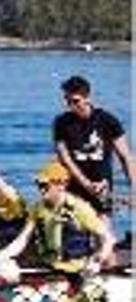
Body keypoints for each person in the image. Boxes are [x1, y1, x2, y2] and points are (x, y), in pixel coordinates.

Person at [0, 161, 114, 282]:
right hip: (49, 268)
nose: (41, 190)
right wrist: (3, 255)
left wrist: (97, 260)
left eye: (45, 185)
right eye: (39, 185)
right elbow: (22, 239)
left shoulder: (80, 208)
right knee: (5, 266)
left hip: (77, 272)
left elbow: (108, 239)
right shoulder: (38, 208)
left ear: (61, 185)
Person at [53, 75, 136, 221]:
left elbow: (126, 157)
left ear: (88, 98)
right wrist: (86, 184)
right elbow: (65, 159)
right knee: (74, 235)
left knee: (104, 233)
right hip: (74, 186)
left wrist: (134, 189)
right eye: (67, 100)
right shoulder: (61, 123)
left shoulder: (107, 120)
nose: (70, 106)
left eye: (75, 101)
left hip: (102, 186)